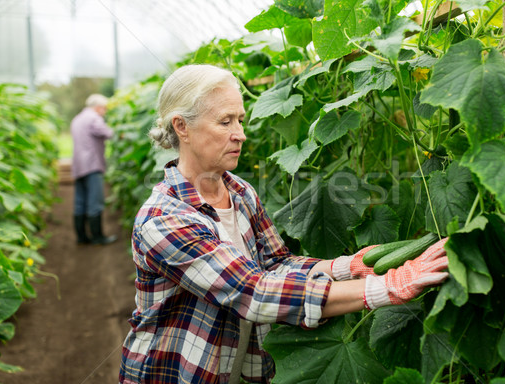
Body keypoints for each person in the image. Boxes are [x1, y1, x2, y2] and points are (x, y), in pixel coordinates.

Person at [119, 64, 449, 384]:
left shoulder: (239, 191)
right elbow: (254, 290)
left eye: (240, 120)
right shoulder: (164, 221)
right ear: (182, 127)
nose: (241, 135)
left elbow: (275, 264)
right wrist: (384, 287)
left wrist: (346, 266)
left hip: (234, 367)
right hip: (176, 372)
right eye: (225, 122)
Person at [70, 93, 118, 245]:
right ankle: (98, 237)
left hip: (78, 165)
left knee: (80, 202)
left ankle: (81, 237)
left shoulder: (77, 119)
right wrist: (120, 134)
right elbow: (108, 133)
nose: (104, 111)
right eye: (104, 108)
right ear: (98, 107)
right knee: (95, 202)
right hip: (92, 165)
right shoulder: (94, 118)